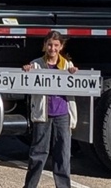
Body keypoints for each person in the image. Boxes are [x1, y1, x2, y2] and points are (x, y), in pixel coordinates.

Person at [23, 30, 78, 188]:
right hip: (43, 115)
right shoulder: (36, 64)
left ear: (61, 47)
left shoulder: (68, 65)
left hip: (63, 115)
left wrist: (75, 74)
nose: (52, 48)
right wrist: (27, 71)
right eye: (49, 45)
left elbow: (77, 86)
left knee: (62, 155)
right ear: (44, 45)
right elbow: (25, 82)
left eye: (55, 45)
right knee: (38, 154)